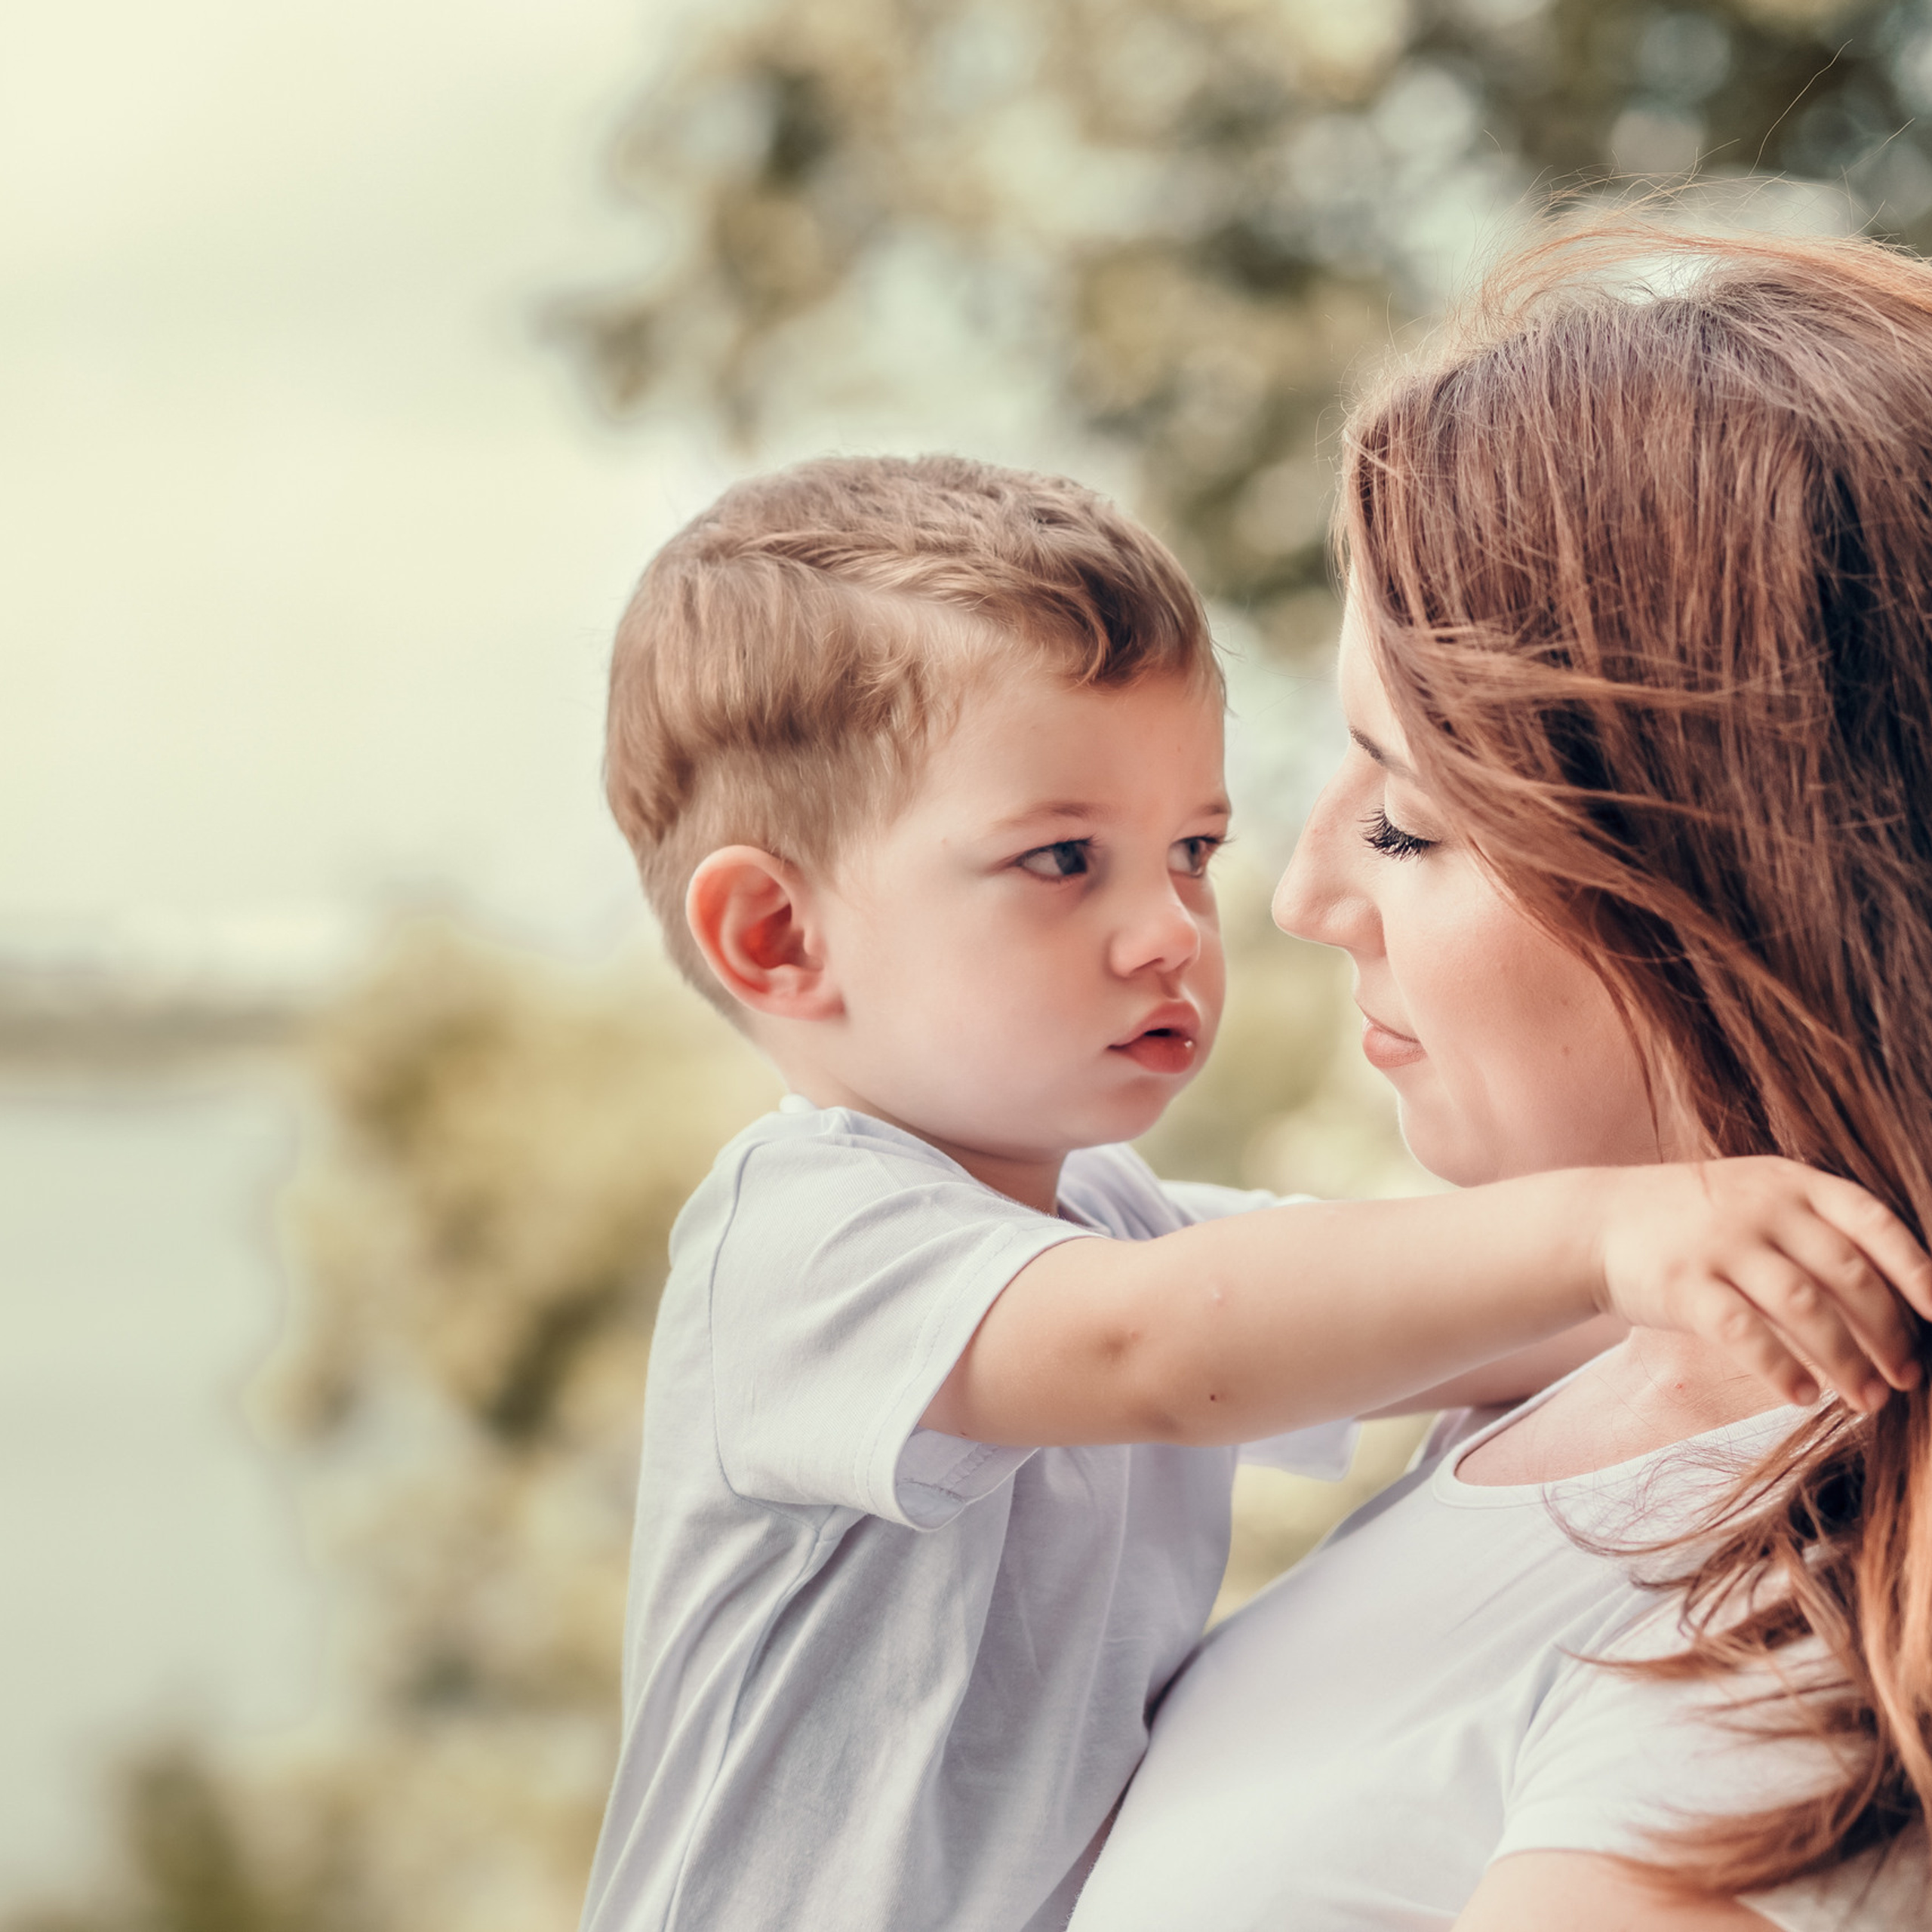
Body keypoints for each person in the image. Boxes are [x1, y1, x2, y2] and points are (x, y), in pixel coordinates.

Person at [574, 454, 1927, 1932]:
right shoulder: (797, 1238)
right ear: (776, 936)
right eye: (1060, 859)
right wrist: (1615, 1229)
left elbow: (1479, 1322)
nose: (1170, 929)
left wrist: (1794, 1271)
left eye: (1189, 851)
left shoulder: (1118, 1230)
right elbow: (1162, 1348)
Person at [1067, 225, 1932, 1931]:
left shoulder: (1788, 1635)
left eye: (1409, 822)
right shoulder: (1577, 1386)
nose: (1306, 897)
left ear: (1735, 880)